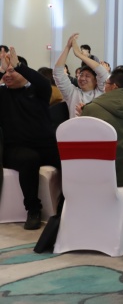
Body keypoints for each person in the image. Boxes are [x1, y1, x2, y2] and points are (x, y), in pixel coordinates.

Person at [0, 47, 60, 230]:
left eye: (12, 71)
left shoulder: (39, 91)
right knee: (29, 159)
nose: (7, 75)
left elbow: (42, 81)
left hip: (46, 145)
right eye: (5, 72)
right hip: (15, 148)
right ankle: (33, 210)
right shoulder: (2, 94)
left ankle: (71, 203)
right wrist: (2, 69)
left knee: (68, 157)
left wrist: (18, 65)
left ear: (23, 72)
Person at [80, 69, 123, 187]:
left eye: (106, 84)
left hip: (97, 173)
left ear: (113, 86)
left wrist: (83, 114)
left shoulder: (91, 108)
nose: (104, 88)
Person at [54, 33, 108, 118]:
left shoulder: (101, 92)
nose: (82, 78)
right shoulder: (72, 93)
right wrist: (68, 47)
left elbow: (103, 73)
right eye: (81, 75)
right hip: (75, 126)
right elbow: (58, 73)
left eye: (87, 76)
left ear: (96, 80)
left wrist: (79, 55)